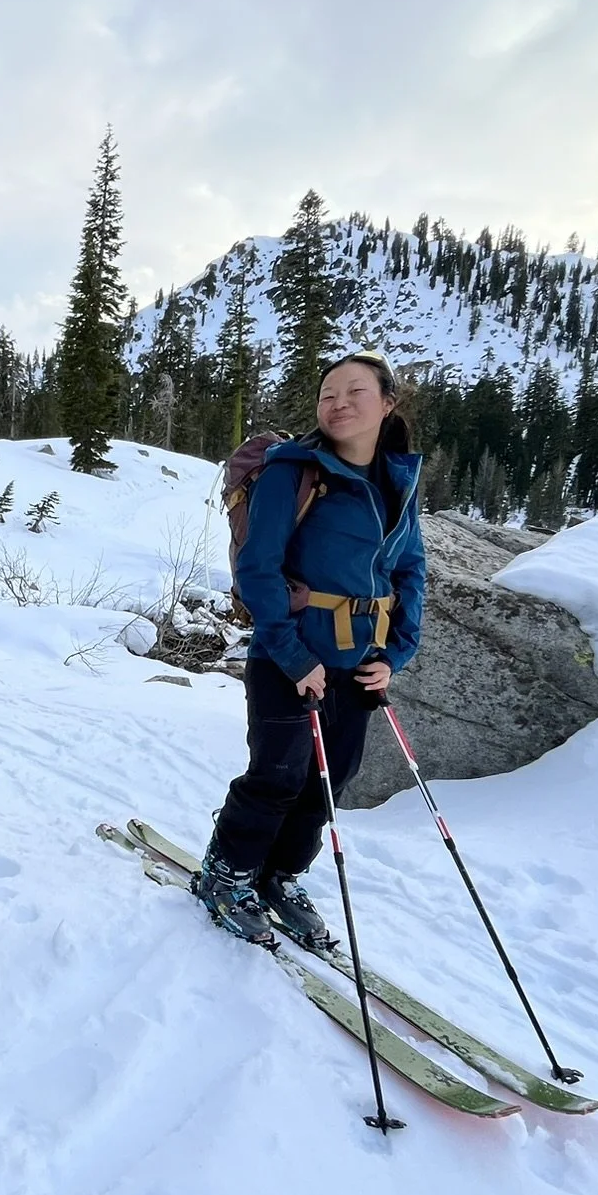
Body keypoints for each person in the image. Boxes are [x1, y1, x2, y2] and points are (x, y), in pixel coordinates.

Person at [193, 350, 426, 948]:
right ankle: (227, 871)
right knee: (278, 772)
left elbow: (410, 571)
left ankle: (278, 875)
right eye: (328, 394)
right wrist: (295, 656)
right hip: (286, 657)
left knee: (330, 781)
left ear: (388, 404)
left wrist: (393, 653)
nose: (339, 403)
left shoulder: (397, 482)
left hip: (357, 662)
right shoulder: (290, 471)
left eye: (355, 392)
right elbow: (258, 569)